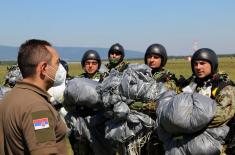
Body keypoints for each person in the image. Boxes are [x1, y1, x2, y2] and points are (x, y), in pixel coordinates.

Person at [0, 39, 69, 154]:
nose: (60, 68)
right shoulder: (37, 108)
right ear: (43, 68)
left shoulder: (9, 97)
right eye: (57, 63)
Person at [179, 48, 235, 154]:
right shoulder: (191, 85)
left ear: (212, 64)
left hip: (218, 141)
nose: (198, 67)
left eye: (202, 63)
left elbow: (221, 117)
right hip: (192, 138)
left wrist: (189, 123)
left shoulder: (224, 87)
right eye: (195, 64)